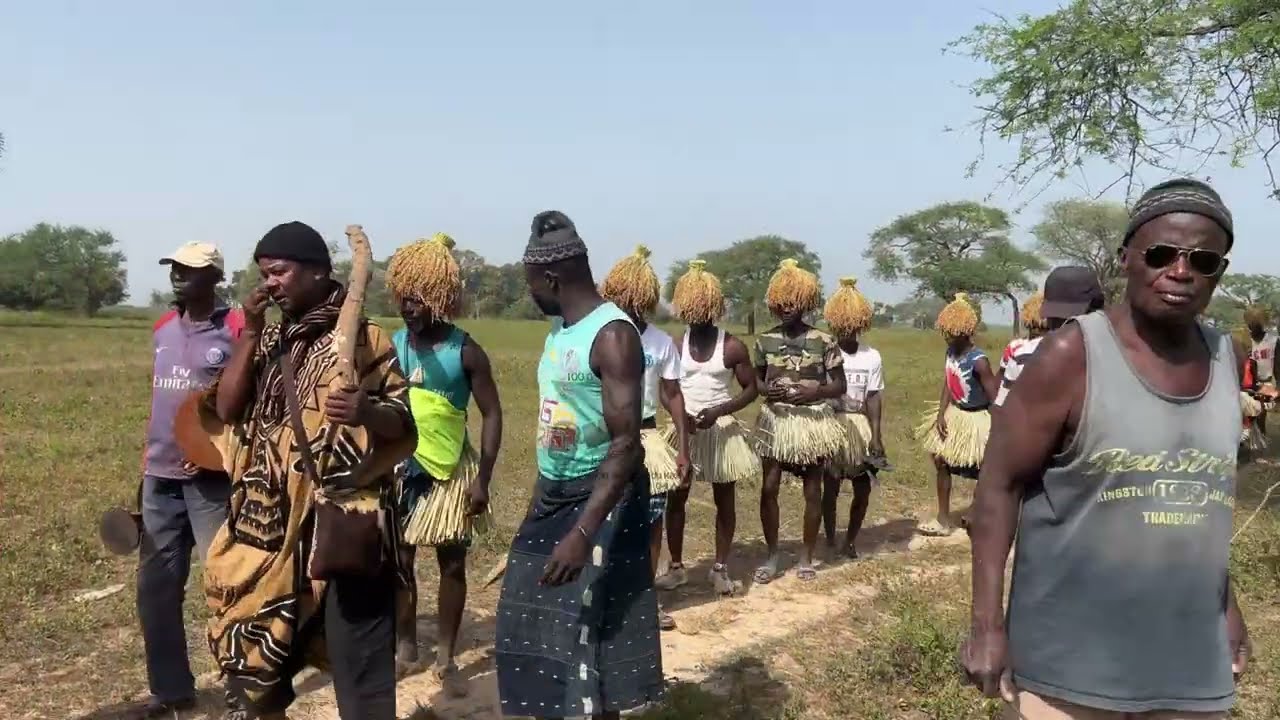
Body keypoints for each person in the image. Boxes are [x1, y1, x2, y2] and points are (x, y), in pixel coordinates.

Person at [962, 178, 1250, 719]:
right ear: (1126, 259)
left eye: (1203, 261)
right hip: (1069, 662)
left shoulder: (1226, 358)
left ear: (1220, 272)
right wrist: (985, 624)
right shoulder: (1072, 354)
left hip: (1189, 661)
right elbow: (998, 486)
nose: (1181, 272)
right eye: (1161, 254)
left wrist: (1226, 604)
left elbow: (1195, 499)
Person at [199, 221, 415, 720]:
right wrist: (250, 333)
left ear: (319, 271)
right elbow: (229, 409)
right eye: (264, 274)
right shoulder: (270, 339)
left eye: (280, 272)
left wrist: (365, 411)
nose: (269, 283)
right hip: (269, 528)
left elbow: (403, 422)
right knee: (258, 660)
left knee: (359, 659)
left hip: (344, 523)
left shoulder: (364, 337)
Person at [495, 211, 663, 720]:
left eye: (530, 284)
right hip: (556, 492)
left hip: (600, 499)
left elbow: (626, 444)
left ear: (551, 278)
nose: (530, 294)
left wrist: (583, 532)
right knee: (529, 620)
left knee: (595, 622)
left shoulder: (612, 335)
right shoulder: (560, 330)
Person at [385, 232, 503, 694]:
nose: (408, 307)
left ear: (439, 298)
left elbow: (492, 413)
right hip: (399, 471)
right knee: (399, 561)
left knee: (452, 564)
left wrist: (483, 479)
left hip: (451, 472)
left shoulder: (465, 351)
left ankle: (447, 653)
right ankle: (405, 646)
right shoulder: (393, 344)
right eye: (403, 298)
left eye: (418, 299)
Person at [135, 242, 243, 718]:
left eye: (191, 269)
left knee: (227, 585)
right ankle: (171, 690)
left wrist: (224, 456)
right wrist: (142, 471)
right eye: (175, 268)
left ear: (215, 277)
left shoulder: (236, 328)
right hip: (159, 477)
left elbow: (251, 403)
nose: (179, 276)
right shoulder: (162, 328)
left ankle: (245, 685)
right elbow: (159, 405)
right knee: (156, 589)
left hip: (210, 481)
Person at [599, 244, 690, 631]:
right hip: (604, 438)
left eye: (638, 303)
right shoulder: (598, 336)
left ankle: (645, 598)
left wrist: (682, 449)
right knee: (604, 520)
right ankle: (603, 596)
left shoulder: (660, 342)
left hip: (649, 439)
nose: (631, 309)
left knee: (651, 522)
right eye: (625, 301)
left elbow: (672, 395)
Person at [657, 259, 760, 596]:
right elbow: (665, 389)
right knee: (675, 498)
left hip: (720, 431)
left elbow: (750, 389)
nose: (697, 316)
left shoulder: (731, 347)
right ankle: (675, 567)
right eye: (692, 310)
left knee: (724, 500)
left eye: (704, 310)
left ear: (714, 309)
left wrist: (719, 410)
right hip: (683, 430)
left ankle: (719, 567)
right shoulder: (674, 345)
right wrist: (678, 417)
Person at [752, 259, 847, 584]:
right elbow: (755, 383)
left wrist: (815, 392)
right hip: (776, 422)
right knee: (769, 488)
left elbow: (840, 385)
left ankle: (806, 556)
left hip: (811, 424)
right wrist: (770, 390)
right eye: (782, 302)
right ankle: (773, 555)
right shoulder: (764, 340)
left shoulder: (824, 340)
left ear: (805, 303)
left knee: (812, 490)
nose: (787, 308)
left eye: (794, 302)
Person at [915, 293, 997, 536]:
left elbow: (993, 395)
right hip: (955, 415)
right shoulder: (950, 352)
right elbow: (949, 383)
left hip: (978, 419)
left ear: (965, 331)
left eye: (953, 331)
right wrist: (941, 413)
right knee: (940, 460)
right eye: (946, 331)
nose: (948, 336)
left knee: (985, 468)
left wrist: (998, 428)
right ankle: (943, 518)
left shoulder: (979, 361)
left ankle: (977, 510)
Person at [820, 277, 884, 560]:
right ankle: (831, 537)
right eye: (842, 327)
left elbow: (873, 397)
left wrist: (876, 435)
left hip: (859, 425)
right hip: (832, 424)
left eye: (852, 327)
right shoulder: (826, 352)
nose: (847, 332)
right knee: (830, 485)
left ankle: (851, 540)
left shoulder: (872, 357)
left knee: (862, 486)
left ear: (860, 326)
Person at [993, 266, 1105, 409]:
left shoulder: (1116, 359)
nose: (1060, 326)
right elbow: (1002, 412)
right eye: (1055, 317)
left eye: (1069, 318)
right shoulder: (1023, 355)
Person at [1244, 305, 1276, 434]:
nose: (1253, 326)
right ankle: (1256, 442)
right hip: (1248, 384)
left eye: (1256, 323)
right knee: (1251, 416)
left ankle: (1260, 442)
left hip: (1266, 383)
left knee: (1260, 415)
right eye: (1251, 323)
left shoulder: (1273, 341)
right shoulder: (1244, 341)